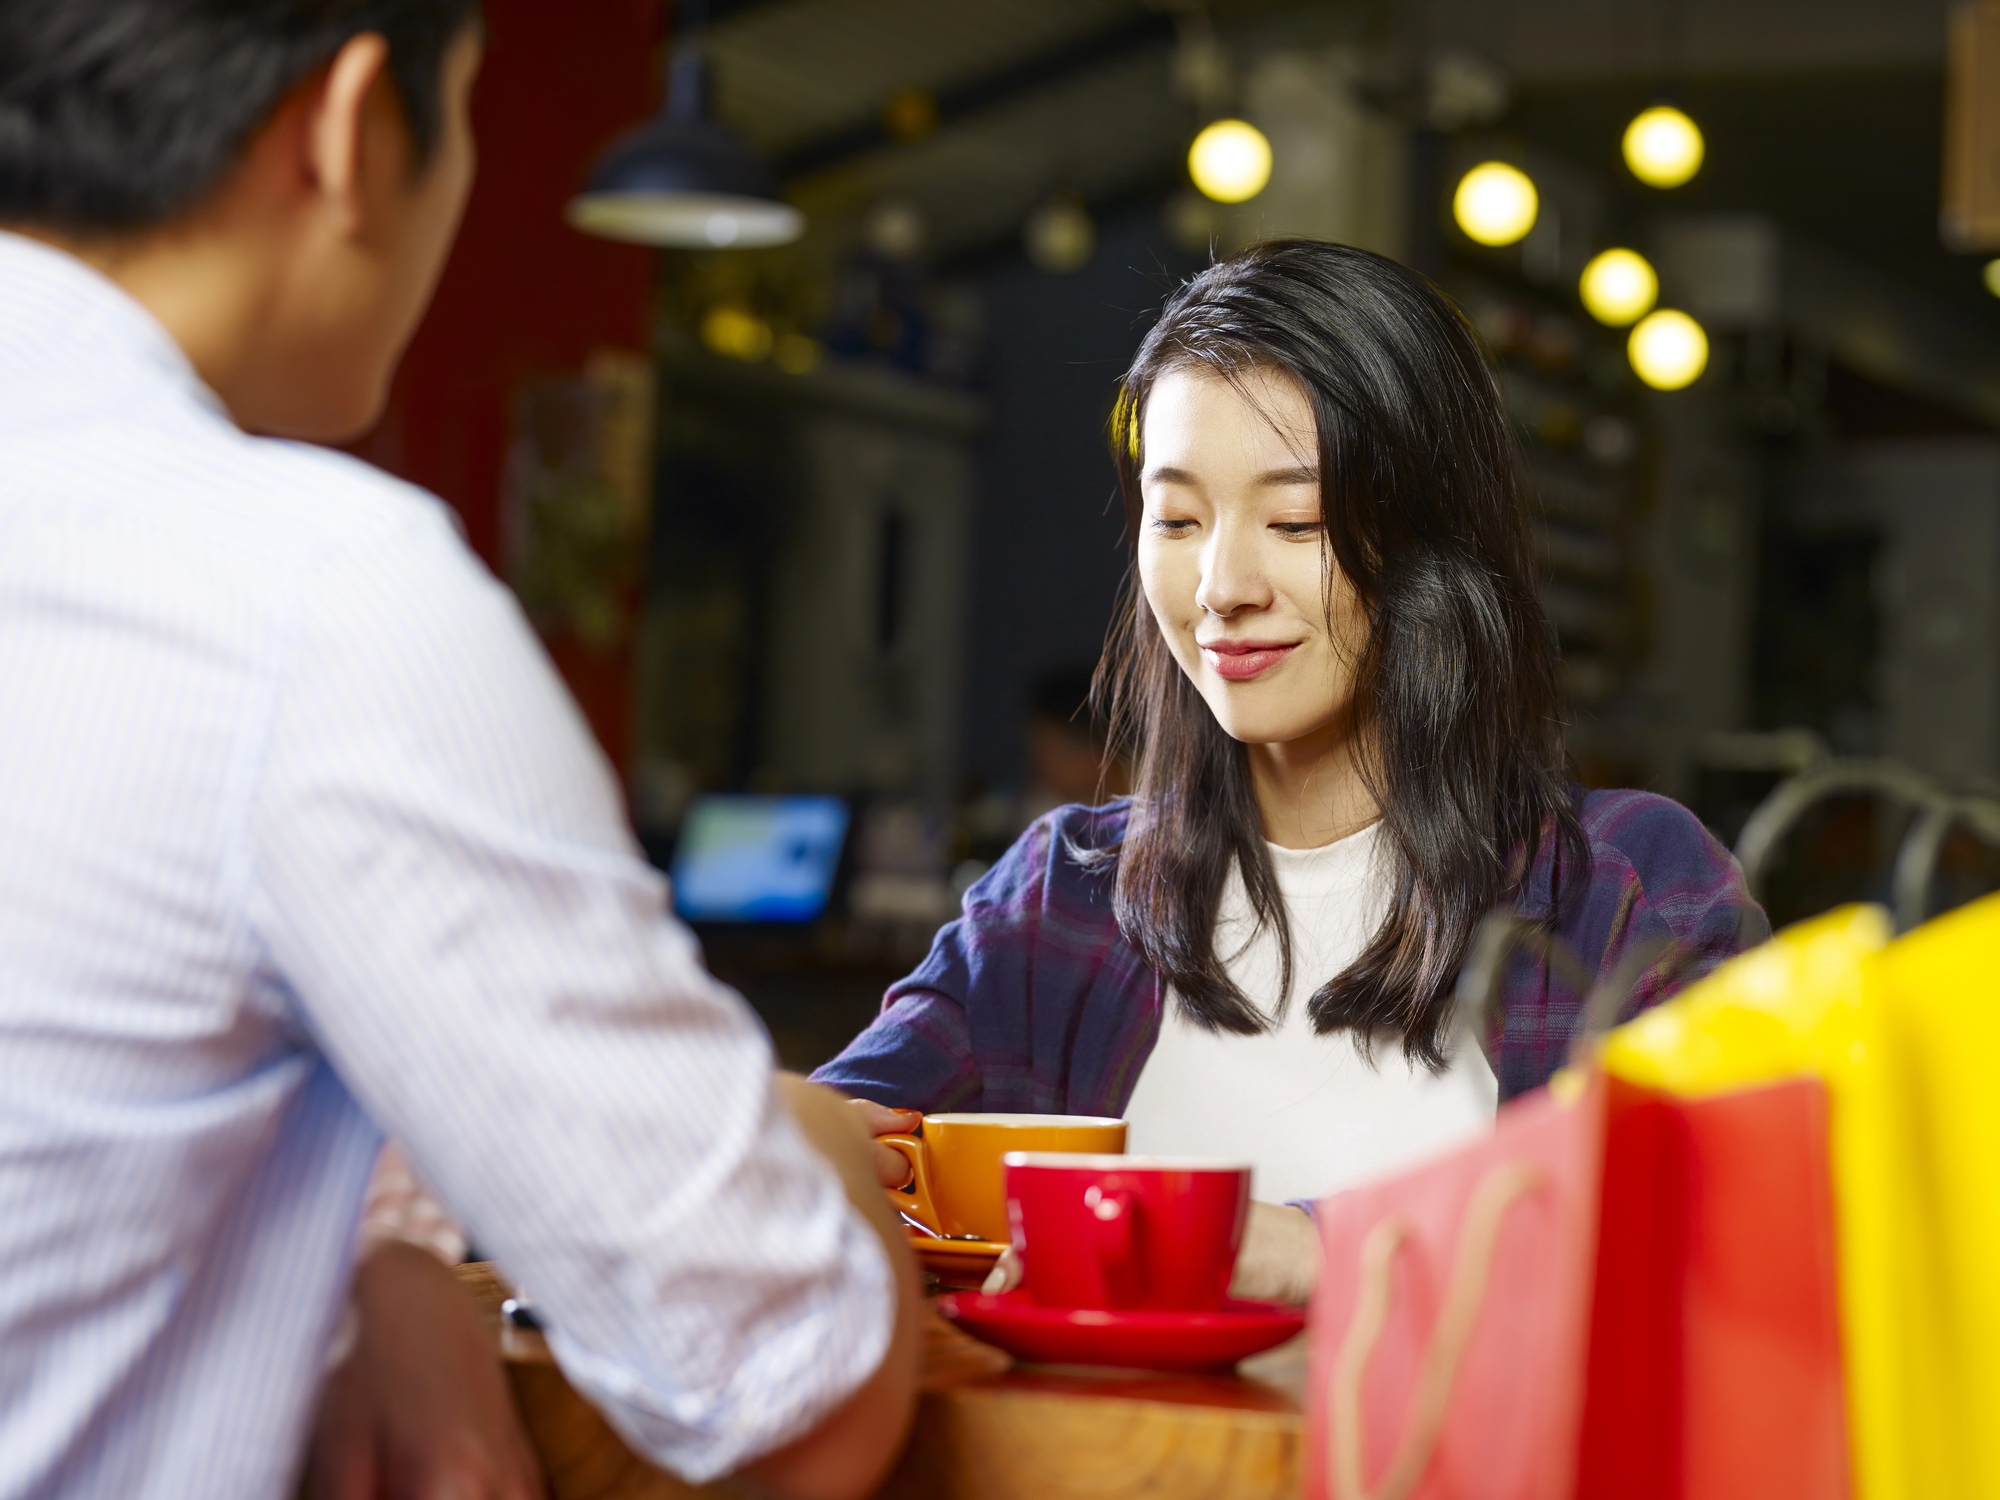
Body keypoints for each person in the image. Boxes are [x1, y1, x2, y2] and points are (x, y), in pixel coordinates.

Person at [0, 4, 919, 1497]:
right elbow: (787, 1382)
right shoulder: (305, 597)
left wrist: (383, 1263)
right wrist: (814, 1130)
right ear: (356, 126)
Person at [818, 241, 1766, 1303]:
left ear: (1430, 541)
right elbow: (843, 1125)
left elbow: (1719, 1246)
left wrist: (1308, 1250)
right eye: (1174, 519)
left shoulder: (1622, 889)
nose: (1220, 586)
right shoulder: (1062, 894)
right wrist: (808, 1151)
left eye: (1293, 521)